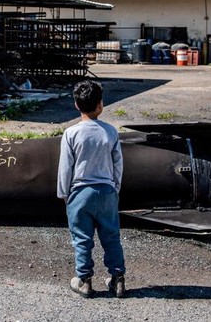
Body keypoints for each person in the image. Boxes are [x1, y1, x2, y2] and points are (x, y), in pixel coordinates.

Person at [57, 80, 126, 298]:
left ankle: (84, 280)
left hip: (80, 193)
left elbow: (65, 167)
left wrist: (64, 194)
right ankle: (117, 280)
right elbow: (118, 165)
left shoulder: (71, 133)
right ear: (100, 105)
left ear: (76, 105)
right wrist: (115, 188)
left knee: (82, 238)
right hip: (106, 191)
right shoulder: (110, 132)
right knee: (111, 237)